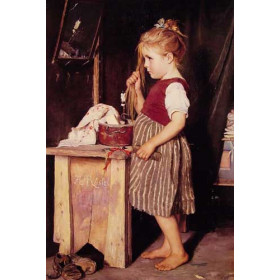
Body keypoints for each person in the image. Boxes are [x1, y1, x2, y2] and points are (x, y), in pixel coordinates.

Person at [126, 18, 195, 271]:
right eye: (144, 59)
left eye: (149, 59)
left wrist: (151, 144)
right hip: (157, 149)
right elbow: (145, 111)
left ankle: (178, 251)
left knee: (160, 201)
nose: (145, 65)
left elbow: (178, 123)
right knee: (165, 200)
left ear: (168, 57)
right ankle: (168, 245)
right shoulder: (162, 84)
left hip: (162, 151)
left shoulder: (175, 87)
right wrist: (136, 89)